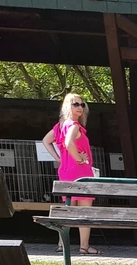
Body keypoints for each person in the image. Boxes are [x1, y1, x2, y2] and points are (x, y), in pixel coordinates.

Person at [41, 93, 100, 255]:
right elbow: (68, 143)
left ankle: (62, 244)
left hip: (65, 171)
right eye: (75, 104)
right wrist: (79, 158)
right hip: (80, 171)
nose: (80, 107)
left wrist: (59, 159)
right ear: (68, 106)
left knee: (68, 209)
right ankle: (84, 246)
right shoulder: (74, 125)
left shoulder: (59, 126)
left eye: (82, 104)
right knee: (84, 212)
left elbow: (46, 141)